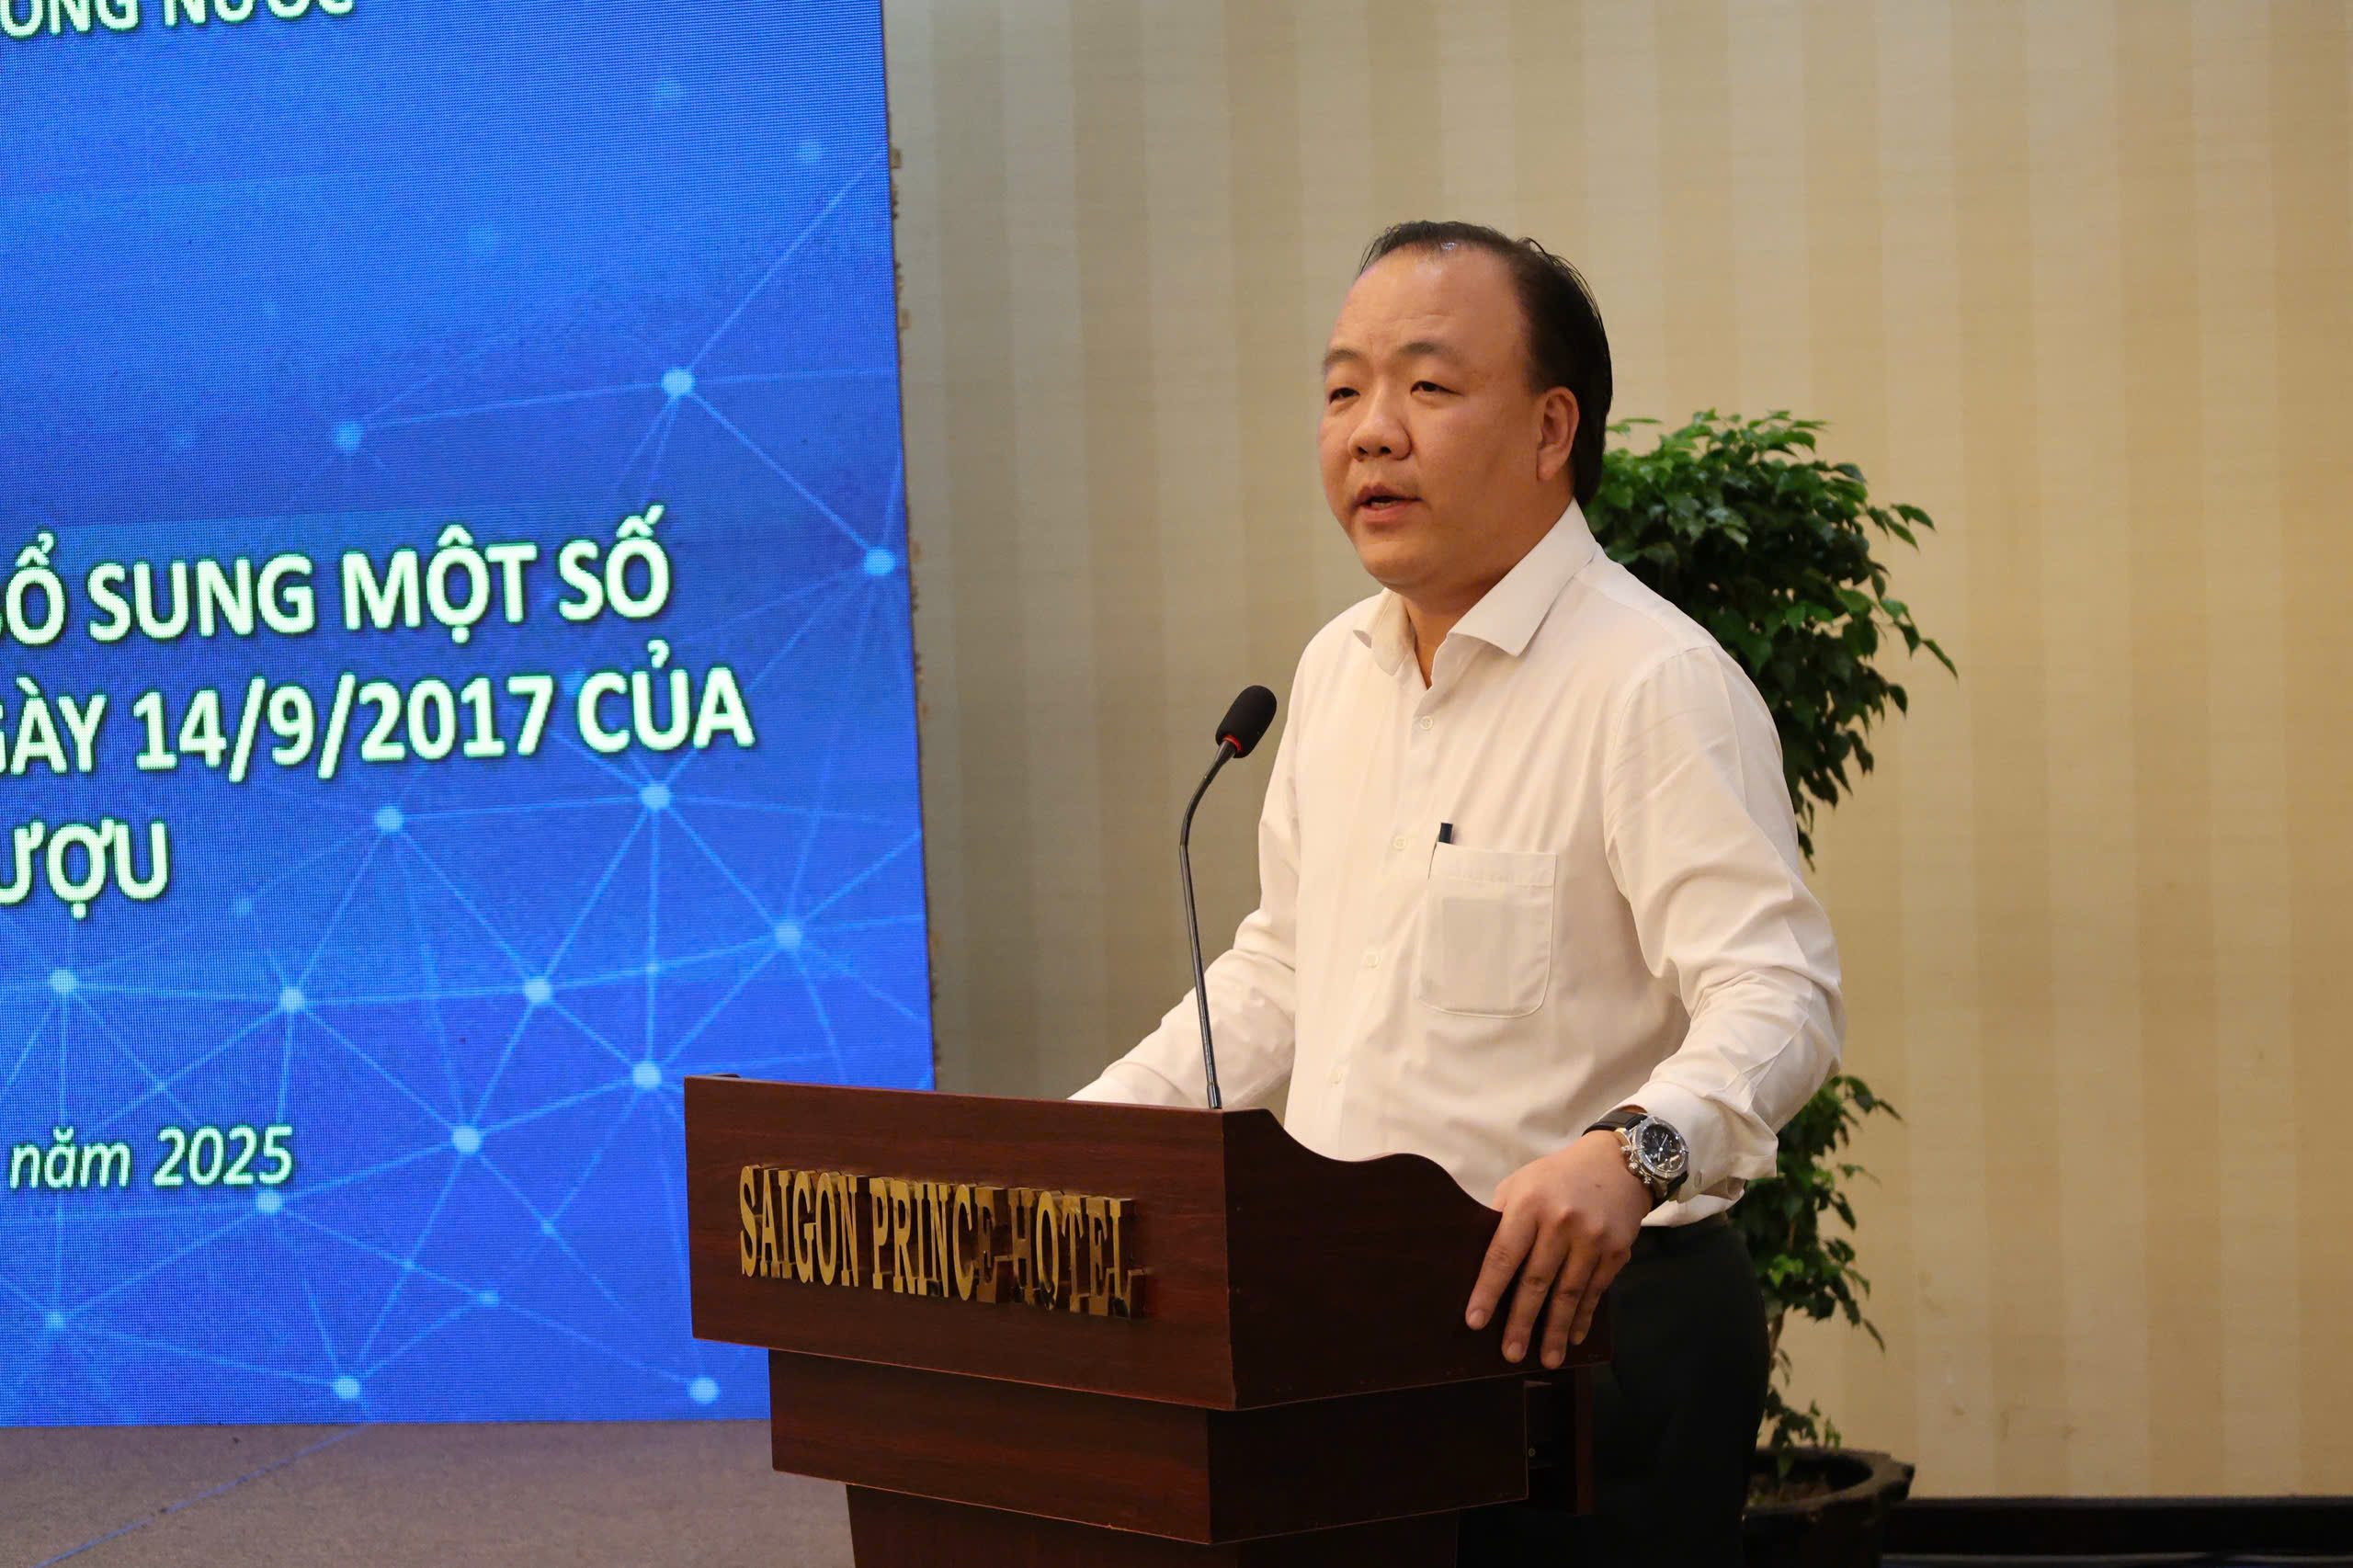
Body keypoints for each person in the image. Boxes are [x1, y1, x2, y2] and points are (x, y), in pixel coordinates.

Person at [1071, 220, 1844, 1567]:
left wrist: (1635, 1152)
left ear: (1552, 430)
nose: (1371, 432)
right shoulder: (1336, 671)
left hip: (1587, 1338)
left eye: (1427, 386)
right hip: (1352, 1331)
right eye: (1342, 390)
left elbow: (1780, 994)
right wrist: (1085, 1142)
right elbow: (1285, 970)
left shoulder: (1652, 684)